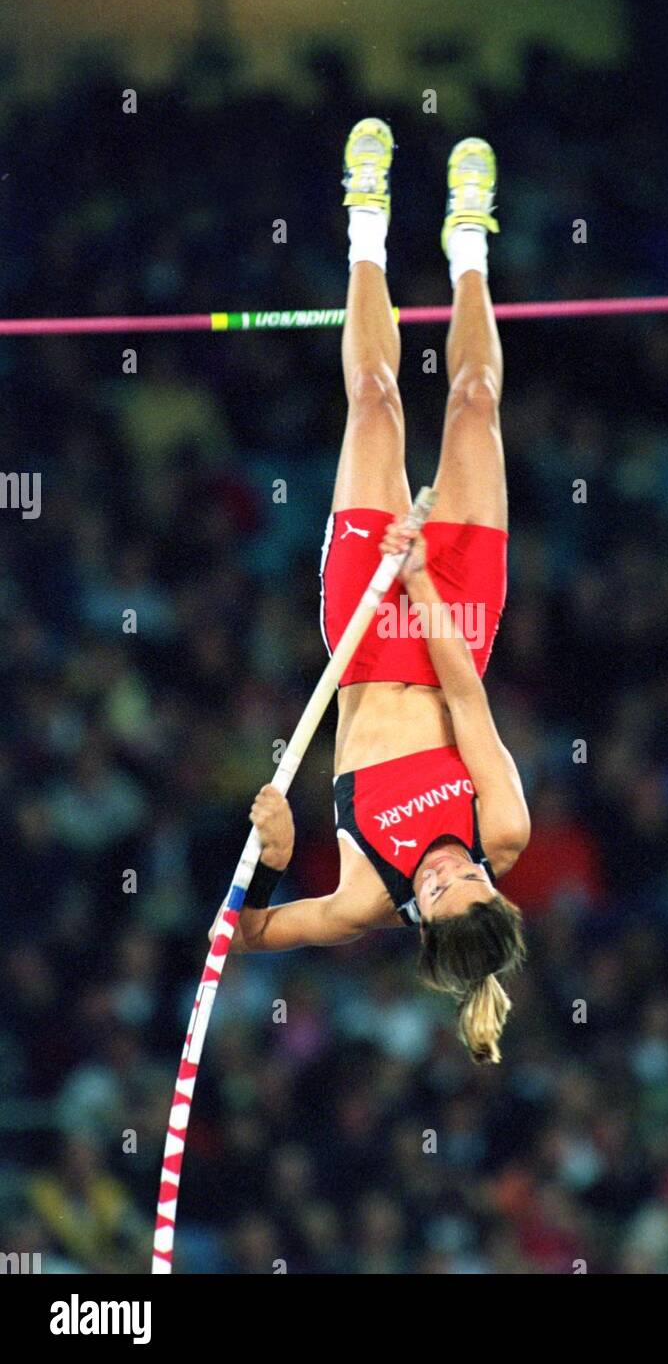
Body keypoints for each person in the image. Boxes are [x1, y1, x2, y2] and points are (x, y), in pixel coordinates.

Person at [211, 120, 529, 1063]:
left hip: (362, 632)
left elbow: (241, 942)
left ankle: (365, 221)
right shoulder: (502, 827)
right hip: (452, 624)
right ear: (495, 884)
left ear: (419, 920)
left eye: (434, 890)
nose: (443, 865)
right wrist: (425, 574)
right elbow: (465, 695)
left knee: (378, 402)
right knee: (472, 399)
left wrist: (266, 865)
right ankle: (469, 242)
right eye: (465, 875)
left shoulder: (359, 897)